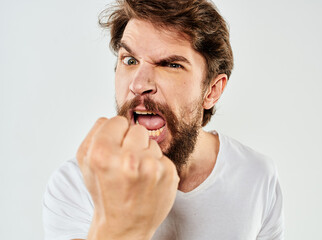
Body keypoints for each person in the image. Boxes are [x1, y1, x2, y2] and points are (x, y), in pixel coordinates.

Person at [42, 0, 284, 239]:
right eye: (130, 60)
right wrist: (119, 227)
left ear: (211, 90)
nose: (138, 84)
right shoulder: (75, 185)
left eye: (170, 64)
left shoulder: (257, 176)